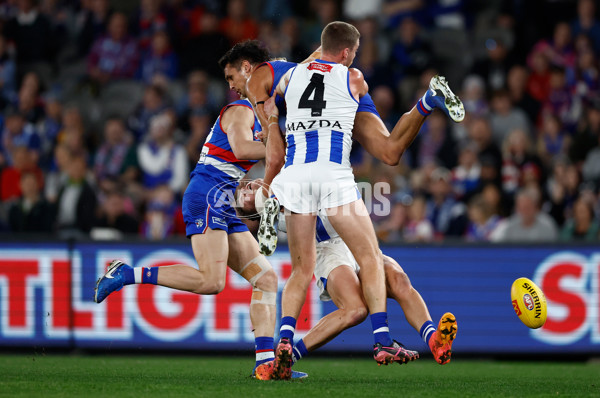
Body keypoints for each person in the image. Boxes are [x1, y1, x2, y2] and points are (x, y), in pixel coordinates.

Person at [260, 21, 464, 379]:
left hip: (296, 178)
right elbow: (346, 83)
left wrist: (274, 119)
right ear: (347, 52)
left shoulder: (288, 77)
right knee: (364, 277)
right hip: (332, 190)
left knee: (378, 273)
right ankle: (380, 339)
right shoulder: (353, 77)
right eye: (353, 53)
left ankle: (286, 343)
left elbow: (273, 99)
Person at [94, 42, 305, 381]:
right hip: (206, 193)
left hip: (222, 198)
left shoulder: (260, 113)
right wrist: (279, 143)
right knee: (211, 281)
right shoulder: (240, 111)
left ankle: (265, 365)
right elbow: (239, 148)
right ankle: (126, 273)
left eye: (231, 76)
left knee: (265, 278)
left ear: (248, 68)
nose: (230, 85)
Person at [238, 179, 456, 367]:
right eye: (243, 195)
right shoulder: (275, 201)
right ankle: (290, 357)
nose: (246, 187)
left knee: (400, 281)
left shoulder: (279, 176)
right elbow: (274, 194)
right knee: (355, 310)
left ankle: (434, 340)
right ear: (256, 213)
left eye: (245, 186)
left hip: (354, 235)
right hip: (328, 249)